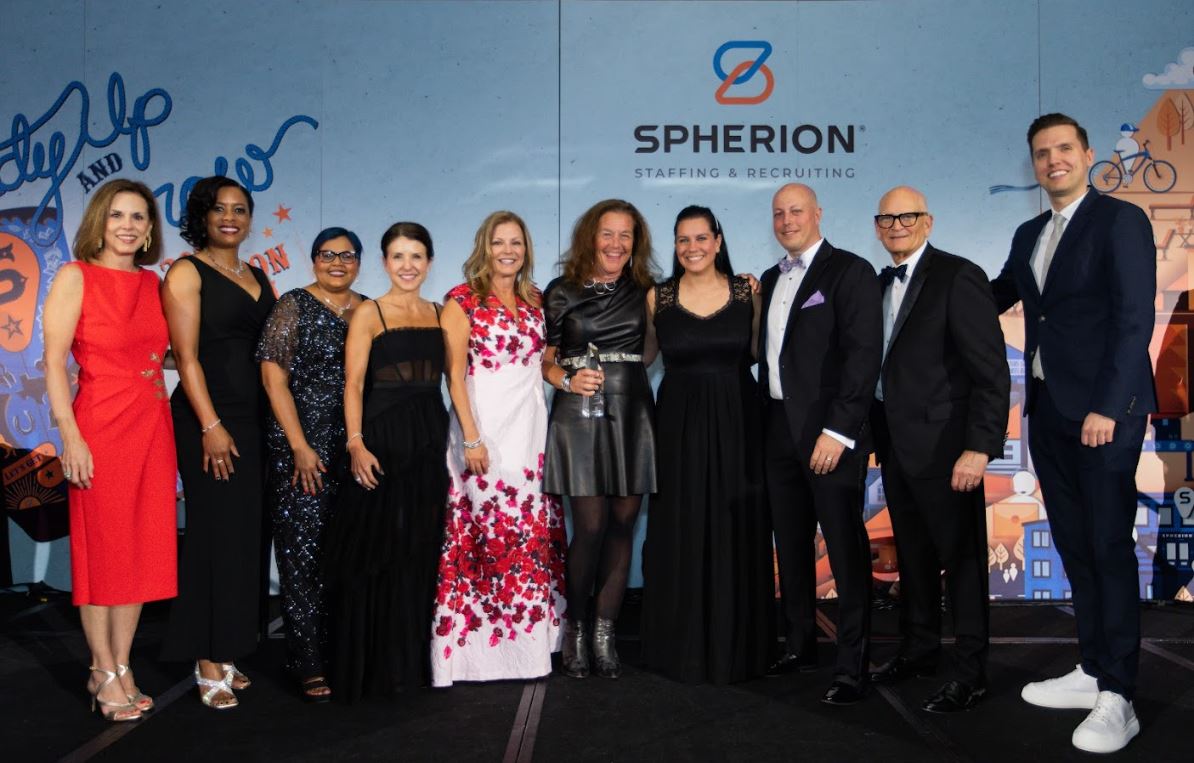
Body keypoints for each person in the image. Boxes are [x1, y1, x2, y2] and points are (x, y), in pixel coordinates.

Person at [991, 113, 1156, 753]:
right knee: (1075, 545)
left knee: (1109, 545)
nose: (1053, 160)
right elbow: (998, 293)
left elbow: (1134, 317)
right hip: (1049, 412)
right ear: (1032, 163)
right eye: (1041, 152)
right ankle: (1092, 670)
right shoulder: (1030, 231)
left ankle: (1120, 695)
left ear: (1087, 154)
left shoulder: (1120, 221)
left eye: (1064, 148)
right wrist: (928, 286)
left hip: (1102, 414)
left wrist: (1107, 407)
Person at [866, 186, 1009, 712]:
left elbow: (991, 371)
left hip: (950, 451)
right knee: (916, 558)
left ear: (928, 221)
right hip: (897, 448)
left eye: (907, 216)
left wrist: (979, 448)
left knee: (963, 562)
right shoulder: (878, 283)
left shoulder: (958, 275)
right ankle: (920, 650)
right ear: (877, 227)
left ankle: (970, 673)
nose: (896, 225)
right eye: (887, 218)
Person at [44, 179, 176, 722]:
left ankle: (123, 663)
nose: (128, 226)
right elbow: (53, 364)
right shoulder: (77, 277)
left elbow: (163, 355)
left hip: (151, 424)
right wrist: (70, 436)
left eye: (139, 217)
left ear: (150, 230)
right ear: (100, 220)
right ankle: (101, 668)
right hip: (98, 425)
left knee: (141, 550)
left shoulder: (154, 283)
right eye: (118, 215)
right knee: (103, 552)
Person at [757, 183, 882, 705]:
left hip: (830, 435)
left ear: (817, 214)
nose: (788, 221)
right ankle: (800, 644)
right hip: (778, 431)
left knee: (847, 552)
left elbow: (862, 356)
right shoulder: (769, 278)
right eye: (779, 213)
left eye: (797, 211)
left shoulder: (850, 271)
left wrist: (839, 432)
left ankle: (852, 667)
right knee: (790, 544)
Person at [431, 211, 567, 686]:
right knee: (486, 533)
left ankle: (531, 648)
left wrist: (567, 379)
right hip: (482, 433)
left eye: (516, 243)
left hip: (530, 433)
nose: (507, 250)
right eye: (498, 242)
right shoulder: (460, 300)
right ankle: (477, 655)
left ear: (526, 248)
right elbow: (453, 375)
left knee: (529, 534)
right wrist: (470, 436)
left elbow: (544, 363)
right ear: (483, 247)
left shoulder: (535, 298)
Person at [640, 205, 774, 684]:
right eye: (682, 240)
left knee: (736, 525)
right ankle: (682, 647)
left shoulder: (748, 292)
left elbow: (765, 354)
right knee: (682, 525)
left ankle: (739, 645)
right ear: (674, 247)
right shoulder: (657, 297)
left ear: (718, 240)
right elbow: (640, 357)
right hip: (677, 424)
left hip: (740, 421)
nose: (692, 247)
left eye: (701, 238)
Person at [161, 176, 277, 710]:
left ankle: (230, 646)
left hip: (254, 421)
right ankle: (206, 658)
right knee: (213, 534)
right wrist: (210, 426)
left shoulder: (258, 275)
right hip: (209, 421)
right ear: (202, 217)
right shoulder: (186, 272)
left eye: (240, 209)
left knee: (244, 537)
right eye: (219, 209)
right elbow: (185, 359)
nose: (230, 218)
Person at [322, 222, 448, 702]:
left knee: (418, 547)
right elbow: (352, 385)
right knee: (375, 550)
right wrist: (355, 444)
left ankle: (408, 662)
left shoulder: (441, 314)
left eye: (416, 256)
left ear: (430, 262)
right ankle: (367, 666)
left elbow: (453, 382)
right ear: (384, 262)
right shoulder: (368, 313)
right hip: (379, 440)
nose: (408, 265)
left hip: (429, 439)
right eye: (398, 256)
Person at [541, 199, 659, 679]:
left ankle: (606, 632)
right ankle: (575, 626)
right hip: (578, 414)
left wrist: (746, 289)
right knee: (589, 525)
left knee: (623, 523)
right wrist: (567, 380)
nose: (616, 244)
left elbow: (658, 346)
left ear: (636, 243)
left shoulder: (648, 292)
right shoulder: (561, 291)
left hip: (632, 412)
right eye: (607, 233)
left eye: (625, 235)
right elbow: (545, 361)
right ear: (591, 236)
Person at [257, 227, 366, 702]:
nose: (337, 262)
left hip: (355, 445)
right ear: (314, 259)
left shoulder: (369, 308)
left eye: (346, 255)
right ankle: (307, 660)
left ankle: (344, 651)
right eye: (327, 254)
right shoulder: (293, 305)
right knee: (302, 554)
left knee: (347, 552)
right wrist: (299, 445)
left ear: (361, 261)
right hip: (303, 444)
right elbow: (272, 377)